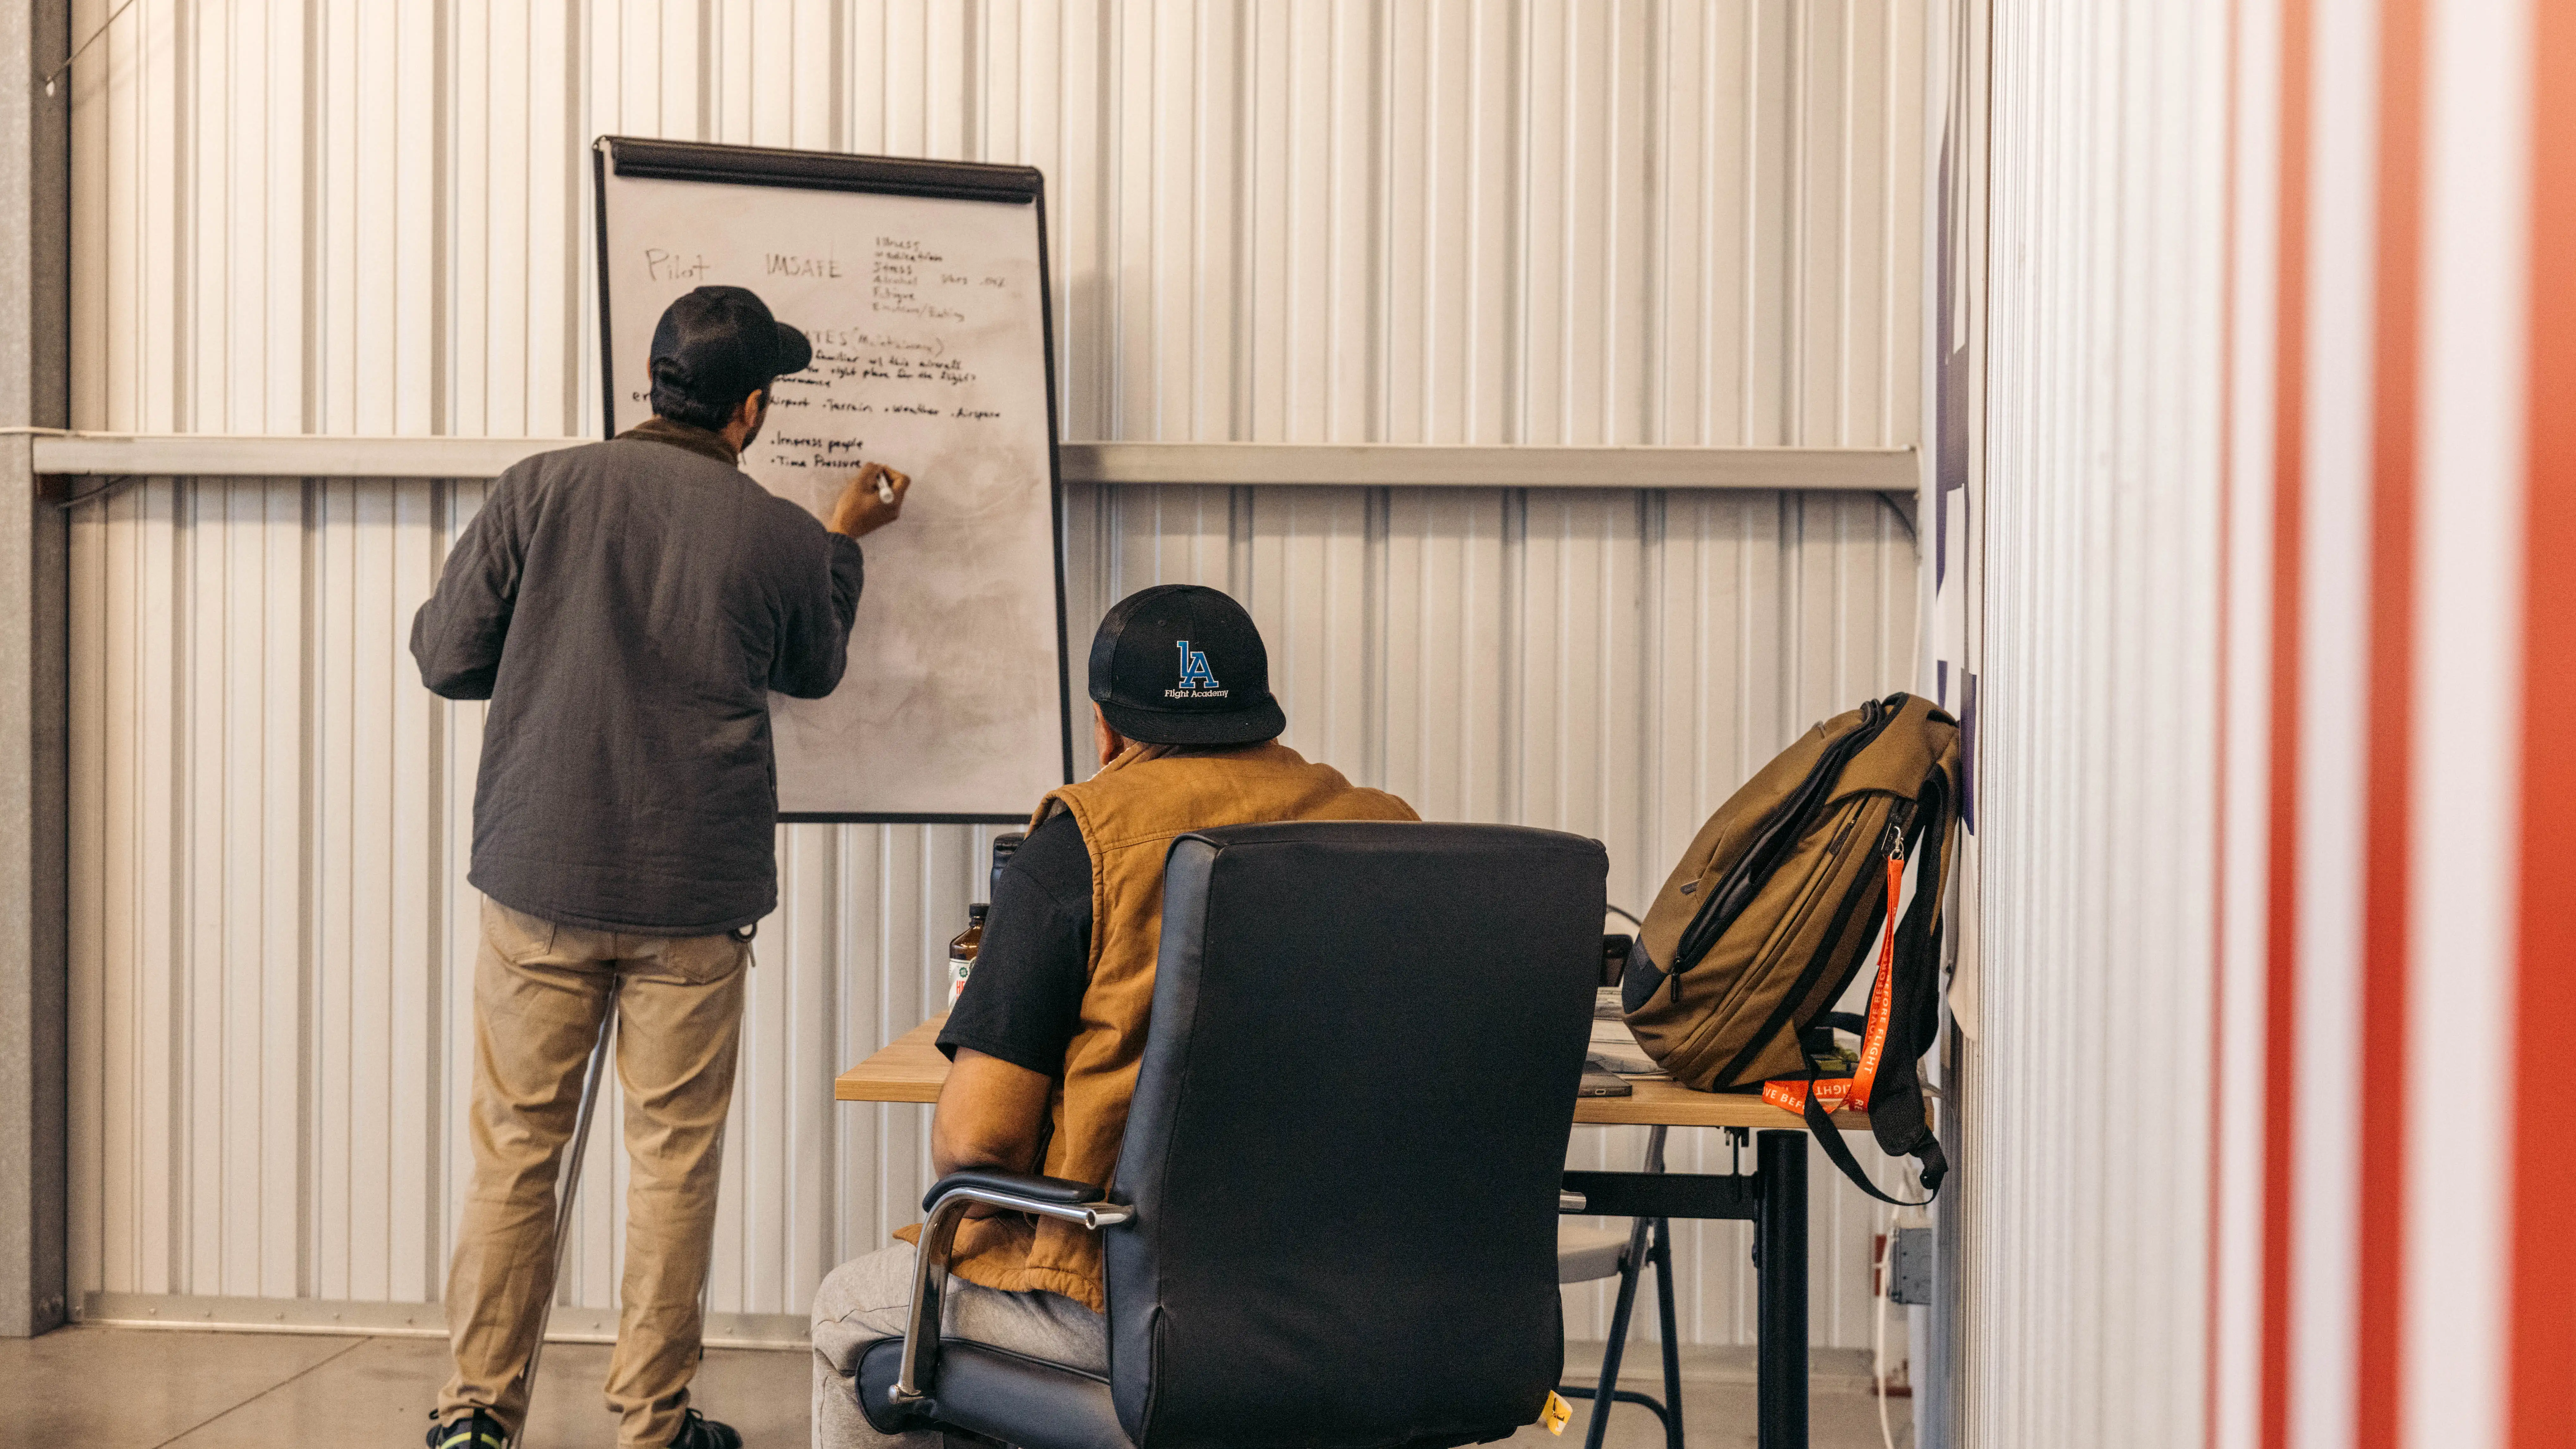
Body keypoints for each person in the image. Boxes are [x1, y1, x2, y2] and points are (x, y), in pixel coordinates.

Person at [412, 285, 914, 1449]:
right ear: (748, 408)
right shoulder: (783, 535)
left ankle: (475, 1418)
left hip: (540, 875)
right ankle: (651, 1423)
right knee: (672, 1163)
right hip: (695, 895)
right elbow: (816, 670)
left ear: (655, 384)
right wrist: (842, 542)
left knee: (515, 1154)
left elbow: (446, 657)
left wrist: (554, 650)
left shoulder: (540, 488)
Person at [808, 584, 1419, 1448]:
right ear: (1263, 714)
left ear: (1106, 729)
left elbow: (979, 1147)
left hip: (1134, 1306)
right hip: (1367, 1300)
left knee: (850, 1309)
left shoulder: (1083, 841)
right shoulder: (1389, 829)